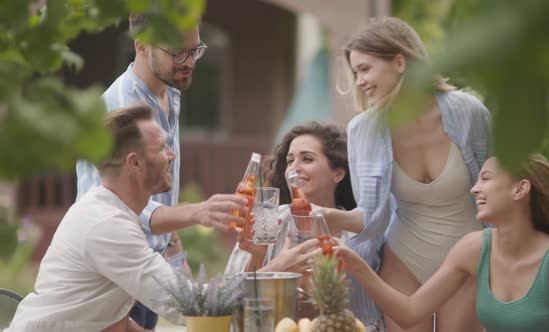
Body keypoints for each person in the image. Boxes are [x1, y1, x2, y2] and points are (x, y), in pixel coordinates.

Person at [6, 106, 248, 332]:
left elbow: (98, 309)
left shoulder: (107, 210)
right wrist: (271, 276)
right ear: (135, 163)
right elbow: (190, 304)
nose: (171, 155)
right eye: (161, 147)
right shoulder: (108, 225)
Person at [322, 17, 493, 331]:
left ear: (399, 62)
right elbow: (371, 217)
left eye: (364, 69)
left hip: (467, 257)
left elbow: (499, 190)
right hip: (404, 256)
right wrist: (328, 216)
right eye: (355, 72)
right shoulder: (364, 130)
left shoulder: (469, 113)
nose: (358, 81)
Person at [75, 14, 245, 330]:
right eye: (178, 52)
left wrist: (178, 258)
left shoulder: (168, 95)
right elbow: (105, 209)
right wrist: (198, 212)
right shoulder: (119, 111)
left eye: (196, 50)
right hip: (112, 280)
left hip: (148, 273)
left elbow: (159, 196)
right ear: (141, 46)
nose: (189, 62)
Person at [335, 154, 549, 332]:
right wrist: (356, 265)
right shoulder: (474, 248)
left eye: (486, 179)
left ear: (519, 189)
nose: (474, 189)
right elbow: (410, 312)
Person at [224, 122, 383, 330]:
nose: (294, 168)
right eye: (290, 161)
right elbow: (227, 302)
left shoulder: (358, 234)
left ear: (338, 173)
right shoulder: (268, 219)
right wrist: (260, 259)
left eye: (307, 159)